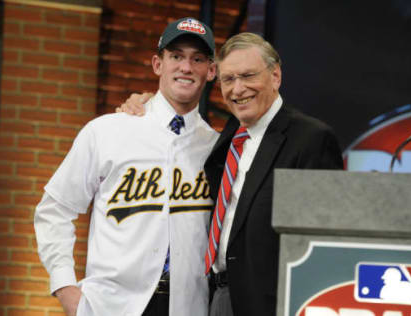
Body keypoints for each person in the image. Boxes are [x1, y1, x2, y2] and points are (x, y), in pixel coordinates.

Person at [119, 32, 344, 316]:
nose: (238, 89)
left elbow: (324, 245)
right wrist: (147, 103)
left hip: (273, 304)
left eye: (248, 76)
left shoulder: (311, 138)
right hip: (216, 298)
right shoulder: (226, 138)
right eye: (228, 79)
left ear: (275, 76)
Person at [34, 17, 218, 316]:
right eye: (176, 56)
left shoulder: (215, 148)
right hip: (112, 305)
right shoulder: (107, 131)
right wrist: (65, 286)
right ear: (158, 64)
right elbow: (54, 209)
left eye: (197, 59)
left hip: (189, 306)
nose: (186, 67)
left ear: (211, 71)